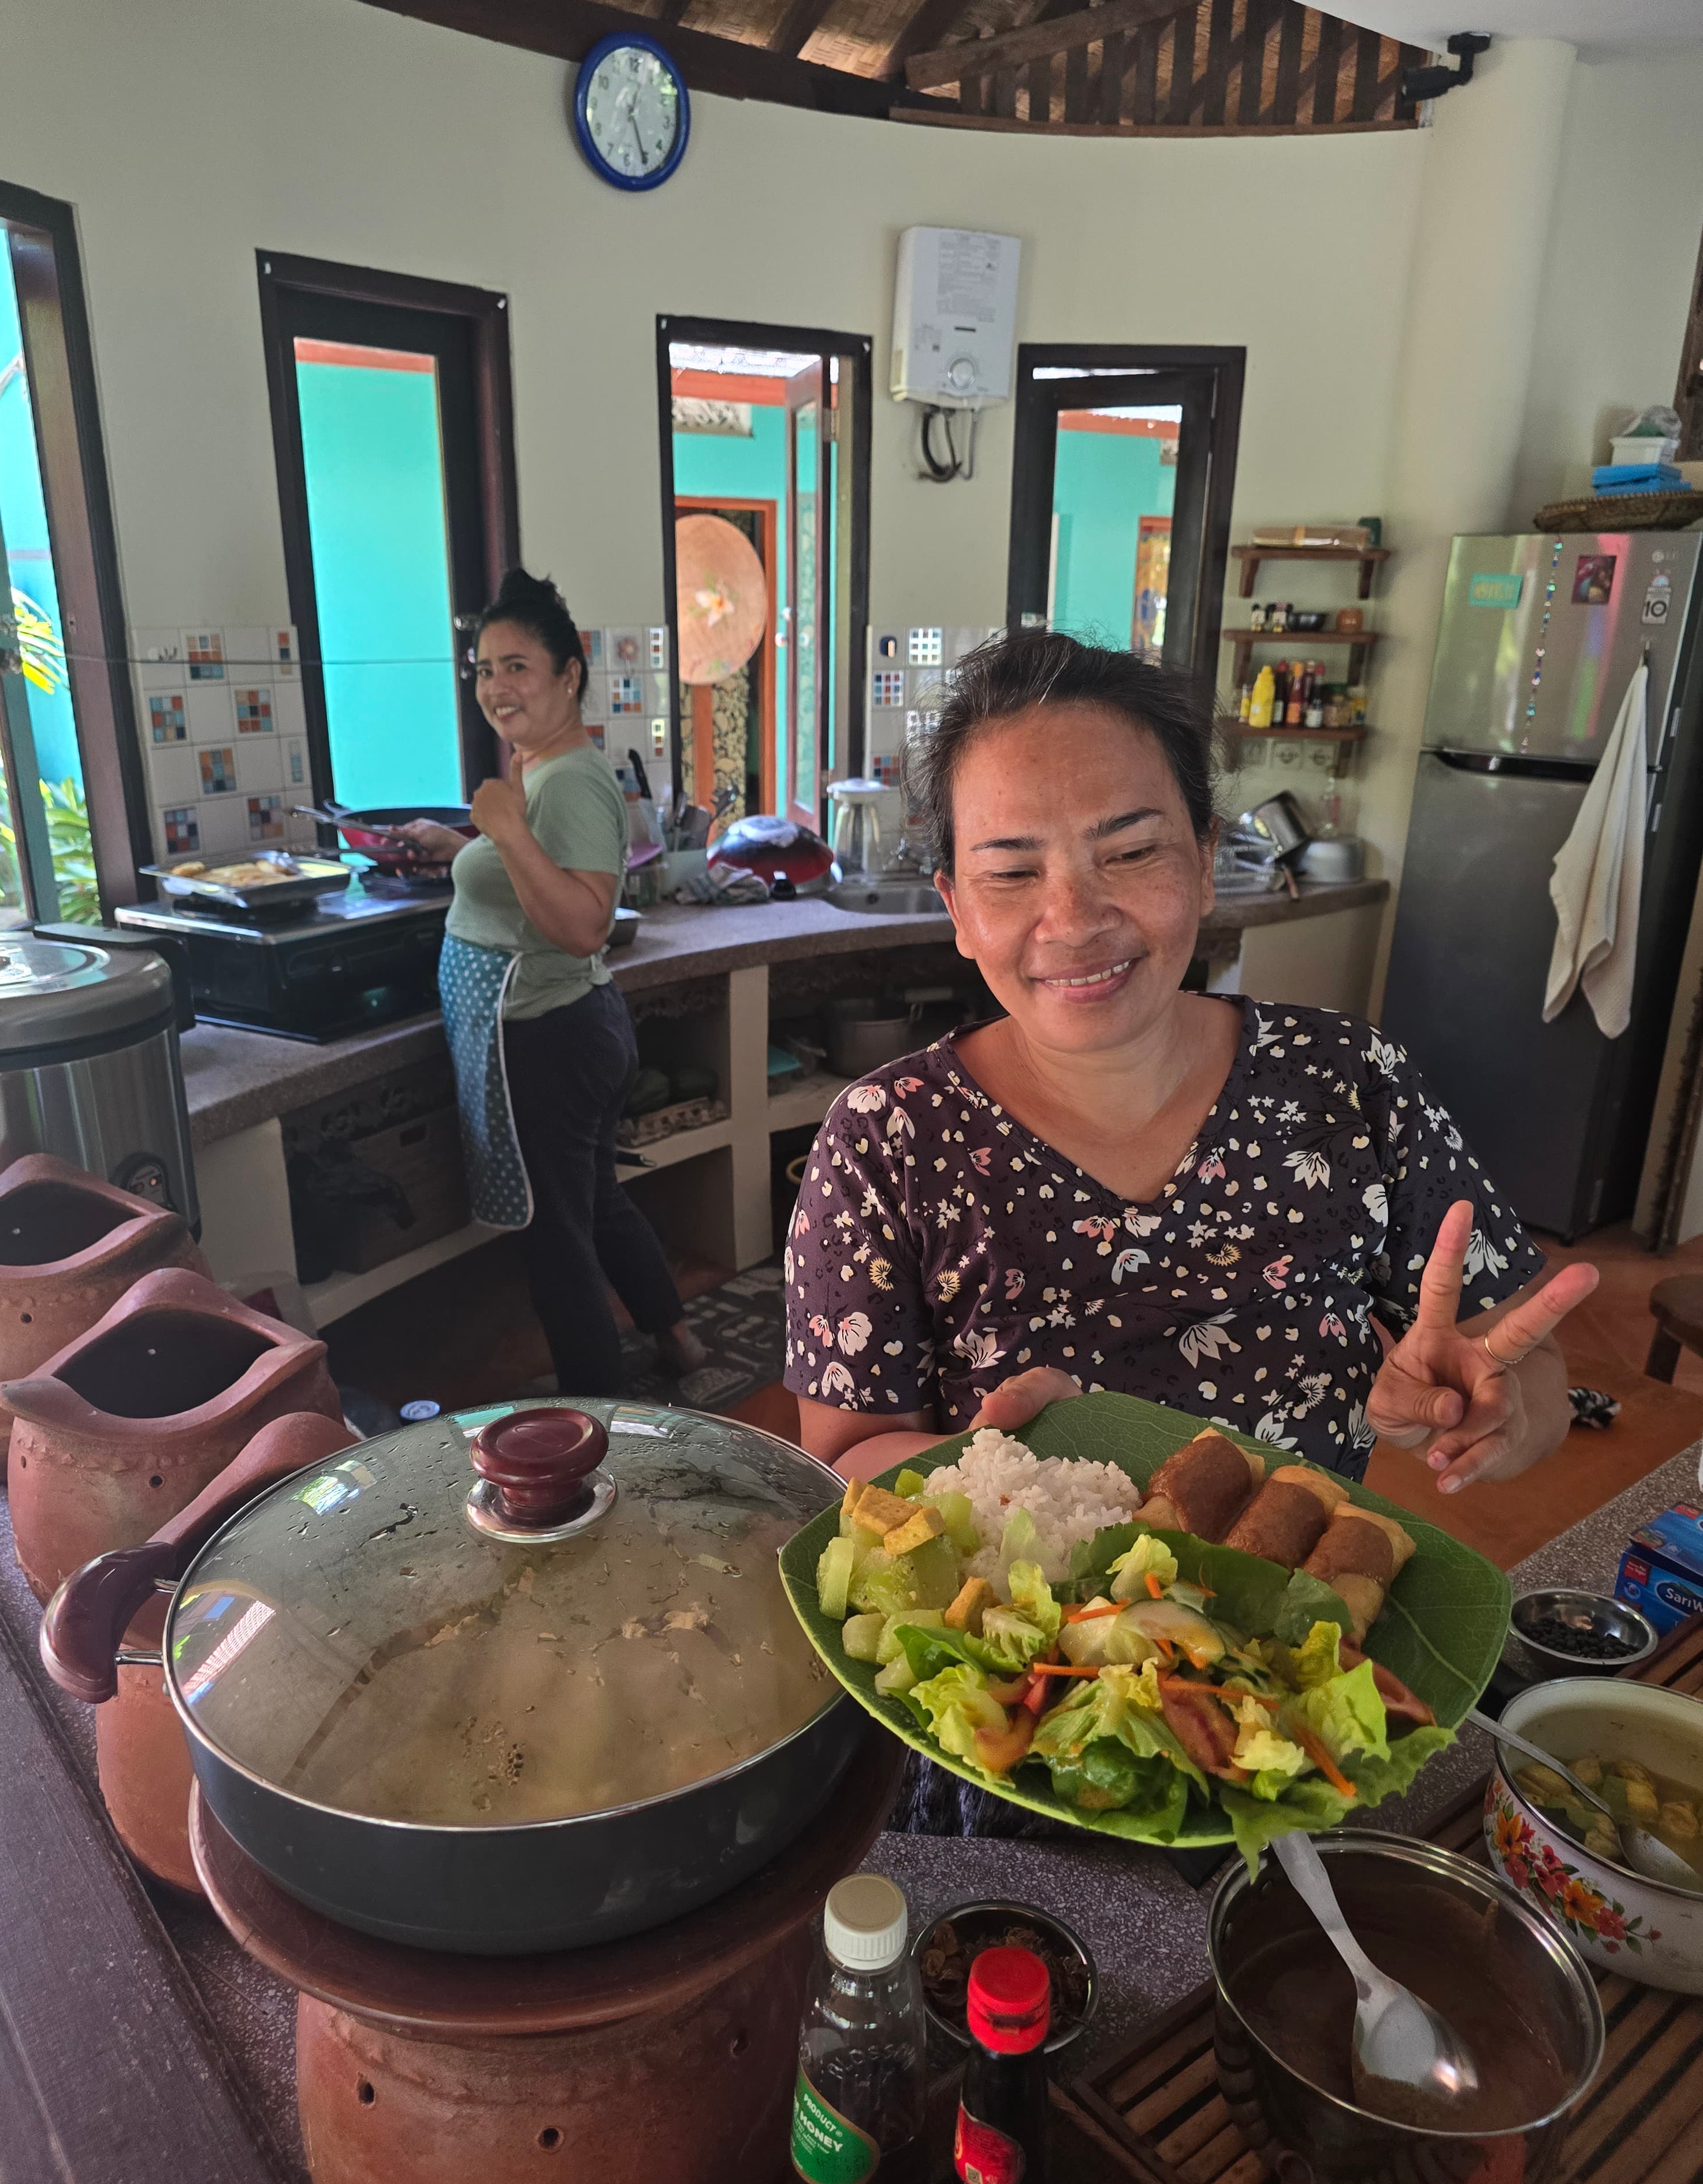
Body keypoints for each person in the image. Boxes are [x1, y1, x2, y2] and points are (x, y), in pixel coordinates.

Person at [782, 634, 1594, 1824]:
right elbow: (842, 1460)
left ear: (1209, 862)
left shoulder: (1350, 1083)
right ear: (955, 907)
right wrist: (970, 1472)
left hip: (1303, 1708)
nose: (1075, 914)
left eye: (1132, 849)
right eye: (1012, 871)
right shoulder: (886, 1138)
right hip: (1024, 1727)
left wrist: (1492, 1411)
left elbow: (1538, 1382)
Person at [406, 568, 704, 1395]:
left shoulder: (566, 778)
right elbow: (538, 866)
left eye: (517, 667)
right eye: (483, 669)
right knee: (596, 1206)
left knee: (558, 1239)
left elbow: (582, 924)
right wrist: (467, 835)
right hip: (570, 1028)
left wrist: (499, 826)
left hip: (544, 1038)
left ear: (568, 674)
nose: (495, 686)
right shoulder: (546, 772)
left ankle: (598, 1423)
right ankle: (679, 1344)